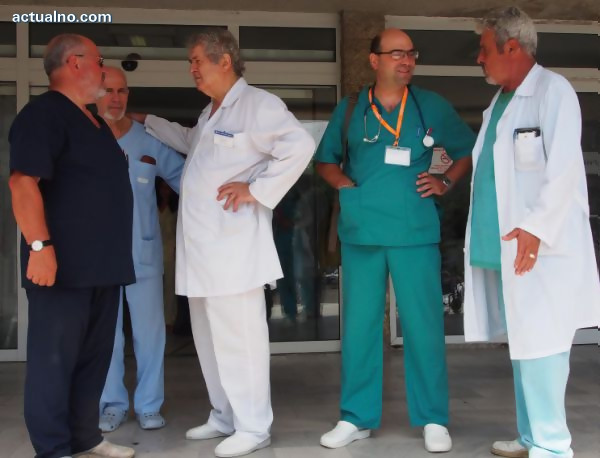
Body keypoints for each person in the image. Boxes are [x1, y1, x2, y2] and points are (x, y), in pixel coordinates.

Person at [137, 29, 315, 457]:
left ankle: (254, 427)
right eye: (191, 62)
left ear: (225, 61)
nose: (192, 69)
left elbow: (300, 145)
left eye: (198, 60)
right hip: (202, 251)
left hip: (234, 250)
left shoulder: (258, 105)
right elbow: (190, 143)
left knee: (240, 341)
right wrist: (146, 121)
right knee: (208, 339)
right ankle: (224, 415)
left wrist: (257, 189)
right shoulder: (210, 111)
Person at [315, 28, 475, 452]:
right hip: (362, 232)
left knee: (424, 326)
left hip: (414, 231)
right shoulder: (351, 108)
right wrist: (345, 186)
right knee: (359, 328)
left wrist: (444, 182)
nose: (406, 61)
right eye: (397, 53)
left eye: (411, 54)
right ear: (375, 60)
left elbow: (466, 149)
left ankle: (433, 418)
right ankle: (355, 417)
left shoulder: (430, 105)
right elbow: (326, 160)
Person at [463, 7, 600, 458]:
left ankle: (553, 447)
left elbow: (562, 169)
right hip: (509, 248)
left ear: (511, 47)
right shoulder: (499, 103)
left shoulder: (552, 91)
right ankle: (530, 437)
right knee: (524, 344)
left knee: (543, 348)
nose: (479, 59)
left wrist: (536, 228)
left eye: (484, 49)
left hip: (541, 249)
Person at [8, 34, 136, 458]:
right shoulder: (43, 115)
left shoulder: (94, 122)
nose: (104, 69)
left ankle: (85, 438)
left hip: (102, 267)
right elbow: (22, 183)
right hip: (61, 268)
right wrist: (39, 246)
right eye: (99, 61)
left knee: (93, 360)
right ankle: (53, 448)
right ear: (75, 62)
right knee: (54, 363)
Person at [96, 66, 184, 432]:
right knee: (106, 336)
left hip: (143, 255)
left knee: (150, 335)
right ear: (94, 94)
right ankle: (111, 404)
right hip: (98, 257)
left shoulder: (147, 141)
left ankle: (149, 405)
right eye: (108, 91)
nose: (116, 98)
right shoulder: (85, 137)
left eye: (122, 91)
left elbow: (187, 179)